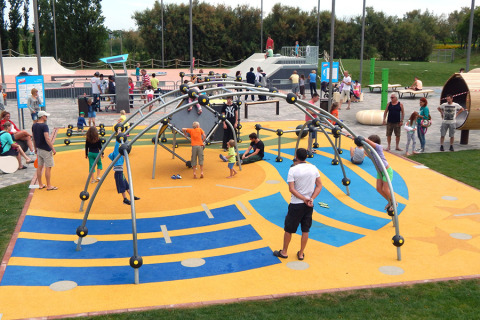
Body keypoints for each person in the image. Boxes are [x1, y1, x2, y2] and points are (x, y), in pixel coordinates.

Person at [273, 148, 322, 261]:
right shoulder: (313, 168)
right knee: (305, 230)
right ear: (306, 156)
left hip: (296, 204)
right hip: (309, 204)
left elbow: (291, 189)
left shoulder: (293, 170)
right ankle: (301, 253)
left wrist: (303, 198)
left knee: (289, 229)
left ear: (296, 156)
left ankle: (284, 252)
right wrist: (311, 198)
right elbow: (319, 185)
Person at [363, 135, 394, 211]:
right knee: (379, 189)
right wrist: (353, 137)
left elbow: (366, 141)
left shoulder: (379, 148)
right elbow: (363, 146)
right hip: (380, 171)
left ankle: (394, 202)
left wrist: (365, 139)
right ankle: (390, 201)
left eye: (370, 142)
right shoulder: (372, 152)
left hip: (387, 171)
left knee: (386, 190)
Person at [108, 133, 140, 205]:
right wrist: (118, 134)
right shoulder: (117, 153)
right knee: (122, 186)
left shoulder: (120, 155)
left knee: (126, 185)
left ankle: (132, 196)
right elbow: (117, 145)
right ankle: (124, 199)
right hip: (118, 172)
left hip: (121, 172)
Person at [32, 111, 57, 190]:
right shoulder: (44, 126)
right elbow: (47, 138)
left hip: (39, 148)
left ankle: (40, 184)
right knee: (48, 167)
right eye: (45, 116)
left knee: (39, 167)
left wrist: (35, 148)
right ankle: (49, 185)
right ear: (42, 116)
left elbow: (34, 138)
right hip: (45, 149)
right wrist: (52, 148)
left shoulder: (34, 125)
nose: (46, 117)